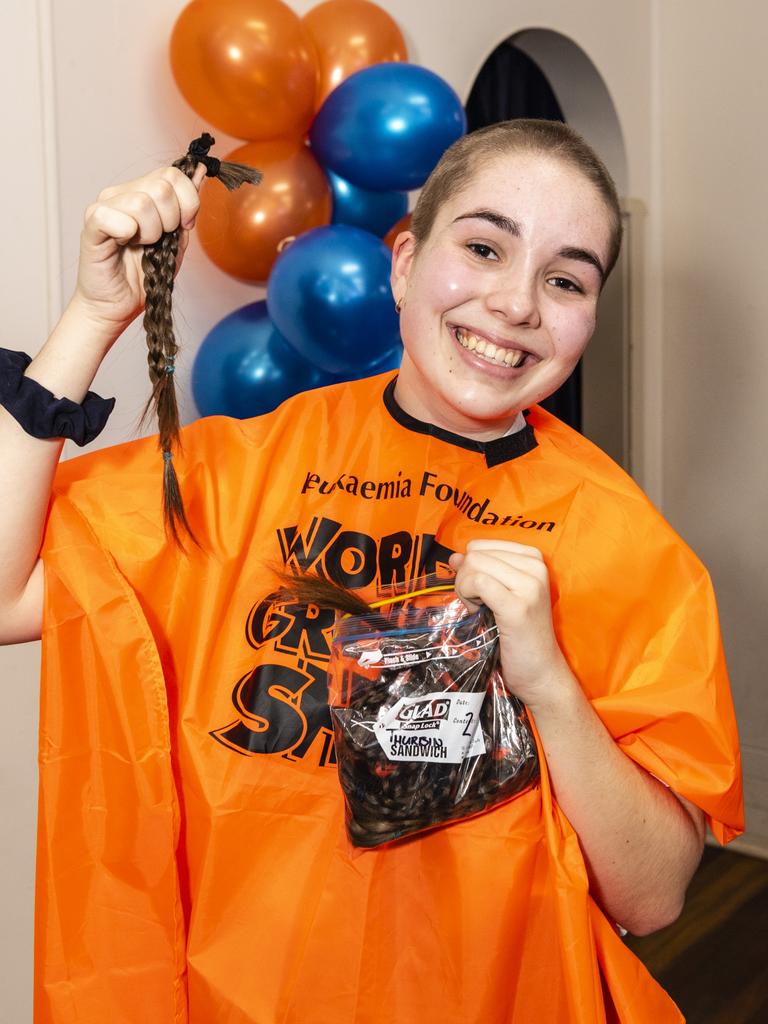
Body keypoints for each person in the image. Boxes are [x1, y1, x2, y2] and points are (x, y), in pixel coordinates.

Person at [0, 120, 742, 1023]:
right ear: (403, 262)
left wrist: (548, 682)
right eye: (483, 247)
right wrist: (93, 316)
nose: (516, 304)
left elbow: (656, 895)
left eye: (564, 279)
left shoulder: (630, 547)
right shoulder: (236, 473)